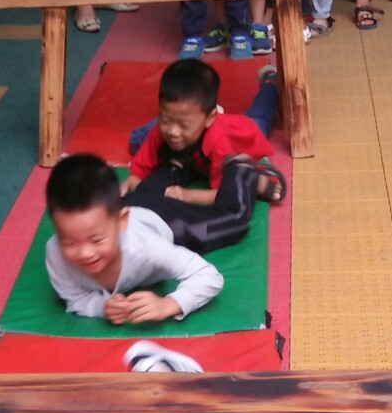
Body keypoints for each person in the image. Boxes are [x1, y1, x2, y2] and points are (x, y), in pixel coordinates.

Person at [122, 59, 286, 249]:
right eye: (165, 119)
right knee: (136, 140)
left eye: (183, 124)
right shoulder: (161, 131)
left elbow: (222, 194)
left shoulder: (220, 143)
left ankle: (271, 83)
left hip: (238, 141)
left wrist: (187, 195)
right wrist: (128, 185)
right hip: (197, 152)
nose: (172, 131)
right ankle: (185, 122)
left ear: (209, 119)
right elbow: (138, 172)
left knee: (259, 117)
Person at [44, 153, 224, 321]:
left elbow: (208, 275)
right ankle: (176, 166)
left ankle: (233, 170)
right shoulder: (56, 254)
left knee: (229, 219)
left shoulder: (146, 247)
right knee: (147, 190)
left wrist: (170, 304)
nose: (85, 253)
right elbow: (76, 299)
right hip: (131, 205)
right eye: (69, 242)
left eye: (96, 240)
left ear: (122, 222)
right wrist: (102, 307)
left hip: (166, 218)